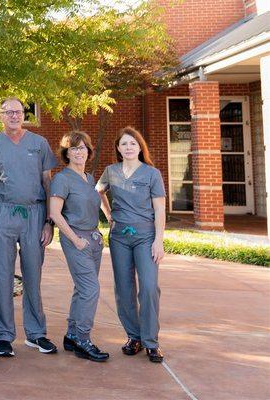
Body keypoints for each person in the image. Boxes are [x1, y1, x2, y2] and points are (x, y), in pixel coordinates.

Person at [0, 97, 58, 357]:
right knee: (1, 275)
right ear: (0, 115)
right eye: (8, 111)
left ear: (24, 114)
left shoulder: (39, 144)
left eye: (18, 111)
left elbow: (48, 183)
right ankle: (3, 336)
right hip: (2, 211)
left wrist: (49, 221)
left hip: (35, 214)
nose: (14, 115)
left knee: (33, 275)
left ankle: (36, 334)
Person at [97, 126, 166, 363]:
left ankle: (151, 341)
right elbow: (98, 192)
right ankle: (133, 337)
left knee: (148, 286)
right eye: (124, 144)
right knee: (124, 288)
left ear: (140, 147)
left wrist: (159, 240)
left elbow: (159, 208)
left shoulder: (151, 174)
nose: (128, 147)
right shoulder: (111, 171)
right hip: (119, 237)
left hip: (145, 236)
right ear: (118, 148)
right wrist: (108, 214)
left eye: (133, 143)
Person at [49, 131, 110, 362]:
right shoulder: (61, 179)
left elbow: (98, 202)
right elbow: (55, 213)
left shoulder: (90, 178)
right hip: (76, 240)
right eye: (74, 148)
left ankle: (72, 335)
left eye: (83, 148)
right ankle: (83, 339)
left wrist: (109, 219)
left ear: (89, 151)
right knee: (91, 289)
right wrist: (75, 239)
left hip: (93, 239)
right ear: (66, 153)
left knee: (82, 288)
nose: (79, 152)